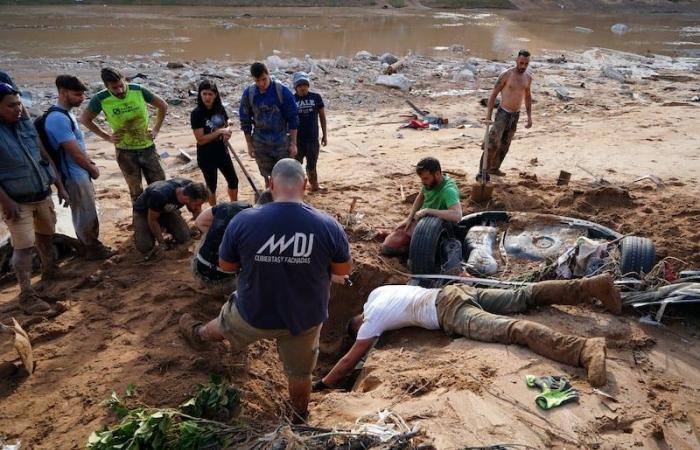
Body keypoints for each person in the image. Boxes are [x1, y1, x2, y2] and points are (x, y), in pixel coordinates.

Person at [179, 159, 351, 423]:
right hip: (304, 318)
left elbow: (226, 266)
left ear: (270, 184)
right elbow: (341, 272)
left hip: (254, 312)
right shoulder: (328, 225)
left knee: (223, 324)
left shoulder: (244, 220)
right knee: (300, 373)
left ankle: (198, 333)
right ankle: (299, 417)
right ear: (305, 184)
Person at [314, 274, 622, 391]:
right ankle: (592, 285)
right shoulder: (378, 294)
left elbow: (347, 362)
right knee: (523, 295)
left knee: (512, 329)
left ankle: (583, 349)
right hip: (453, 290)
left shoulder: (371, 322)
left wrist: (323, 385)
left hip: (450, 312)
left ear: (359, 324)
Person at [0, 82, 68, 315]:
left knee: (47, 234)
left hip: (42, 192)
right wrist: (6, 200)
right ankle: (26, 295)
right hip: (17, 201)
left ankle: (50, 269)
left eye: (19, 103)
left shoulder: (25, 124)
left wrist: (59, 184)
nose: (17, 108)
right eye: (11, 106)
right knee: (24, 247)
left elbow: (43, 154)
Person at [42, 75, 114, 260]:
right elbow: (74, 152)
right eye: (77, 94)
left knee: (85, 210)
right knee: (84, 212)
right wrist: (92, 169)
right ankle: (91, 248)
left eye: (83, 94)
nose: (82, 99)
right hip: (73, 174)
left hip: (78, 171)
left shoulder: (67, 114)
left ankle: (89, 245)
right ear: (63, 92)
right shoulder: (57, 118)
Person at [80, 67, 167, 203]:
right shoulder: (100, 98)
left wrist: (156, 129)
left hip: (147, 147)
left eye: (121, 85)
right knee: (136, 191)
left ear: (125, 80)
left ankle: (163, 219)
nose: (120, 90)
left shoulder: (137, 90)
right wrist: (107, 137)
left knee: (160, 186)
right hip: (125, 152)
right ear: (106, 87)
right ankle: (141, 220)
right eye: (114, 88)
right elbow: (85, 119)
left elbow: (162, 105)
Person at [191, 190, 273, 290]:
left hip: (196, 270)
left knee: (212, 231)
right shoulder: (265, 228)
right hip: (224, 283)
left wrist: (220, 235)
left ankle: (202, 282)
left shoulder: (232, 206)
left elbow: (199, 222)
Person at [381, 157, 462, 256]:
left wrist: (428, 211)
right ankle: (408, 247)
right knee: (388, 247)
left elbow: (457, 215)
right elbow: (420, 197)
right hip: (422, 220)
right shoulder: (430, 183)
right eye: (421, 179)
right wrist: (409, 218)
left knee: (390, 248)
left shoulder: (448, 190)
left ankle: (412, 248)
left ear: (437, 174)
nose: (423, 182)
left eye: (426, 178)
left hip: (438, 227)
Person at [239, 62, 299, 187]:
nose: (261, 84)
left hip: (281, 141)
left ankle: (284, 201)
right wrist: (249, 144)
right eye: (257, 81)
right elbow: (245, 121)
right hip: (260, 143)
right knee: (267, 176)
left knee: (284, 175)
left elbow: (293, 119)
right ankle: (270, 199)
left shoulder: (282, 91)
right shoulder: (249, 94)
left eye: (264, 79)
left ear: (268, 74)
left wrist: (293, 144)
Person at [481, 49, 533, 178]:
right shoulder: (506, 75)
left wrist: (529, 117)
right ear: (516, 60)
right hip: (503, 113)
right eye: (521, 63)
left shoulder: (528, 78)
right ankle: (482, 172)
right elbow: (493, 94)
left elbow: (527, 97)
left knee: (505, 144)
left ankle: (494, 168)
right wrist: (488, 115)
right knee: (492, 143)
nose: (523, 66)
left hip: (515, 115)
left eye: (526, 64)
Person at [190, 79, 238, 205]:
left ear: (215, 95)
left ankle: (234, 205)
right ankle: (214, 212)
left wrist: (227, 133)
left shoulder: (220, 108)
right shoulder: (196, 114)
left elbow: (226, 125)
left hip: (222, 151)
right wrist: (219, 132)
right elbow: (200, 140)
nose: (207, 97)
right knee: (211, 187)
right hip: (206, 155)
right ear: (200, 94)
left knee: (233, 181)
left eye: (210, 94)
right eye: (204, 93)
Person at [132, 178, 209, 255]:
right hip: (143, 212)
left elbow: (195, 210)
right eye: (197, 204)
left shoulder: (190, 187)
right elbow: (152, 220)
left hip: (167, 210)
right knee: (146, 247)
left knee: (185, 237)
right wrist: (161, 243)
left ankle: (164, 224)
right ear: (187, 199)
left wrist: (202, 232)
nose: (199, 207)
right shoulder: (160, 195)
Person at [292, 72, 327, 192]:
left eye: (305, 84)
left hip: (313, 139)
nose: (303, 87)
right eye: (300, 85)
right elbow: (287, 120)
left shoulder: (316, 97)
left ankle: (314, 185)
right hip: (297, 140)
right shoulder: (291, 99)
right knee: (295, 165)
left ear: (308, 85)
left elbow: (322, 117)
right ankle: (296, 188)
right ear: (295, 87)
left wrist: (325, 135)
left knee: (312, 164)